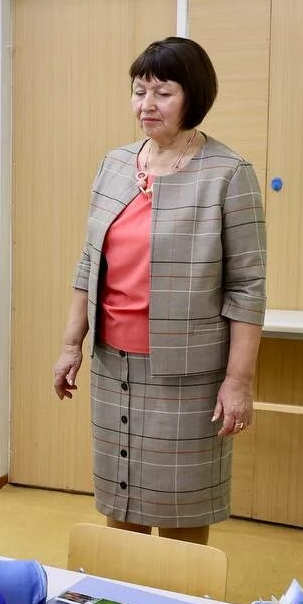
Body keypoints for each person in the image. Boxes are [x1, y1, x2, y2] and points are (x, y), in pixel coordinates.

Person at [54, 36, 266, 545]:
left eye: (163, 92)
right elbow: (90, 260)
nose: (147, 105)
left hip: (187, 372)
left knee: (182, 506)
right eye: (139, 90)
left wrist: (238, 381)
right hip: (114, 363)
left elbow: (248, 286)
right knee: (121, 496)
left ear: (192, 96)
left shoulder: (228, 173)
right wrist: (70, 344)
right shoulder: (114, 164)